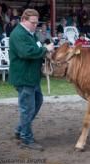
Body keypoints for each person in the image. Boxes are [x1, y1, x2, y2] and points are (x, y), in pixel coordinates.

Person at [8, 9, 54, 151]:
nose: (35, 25)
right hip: (24, 77)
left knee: (36, 102)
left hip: (31, 77)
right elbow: (26, 52)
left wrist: (44, 51)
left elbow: (36, 47)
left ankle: (20, 130)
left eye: (36, 23)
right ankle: (26, 139)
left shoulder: (29, 34)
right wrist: (45, 50)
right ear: (23, 20)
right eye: (32, 23)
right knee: (27, 109)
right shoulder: (18, 34)